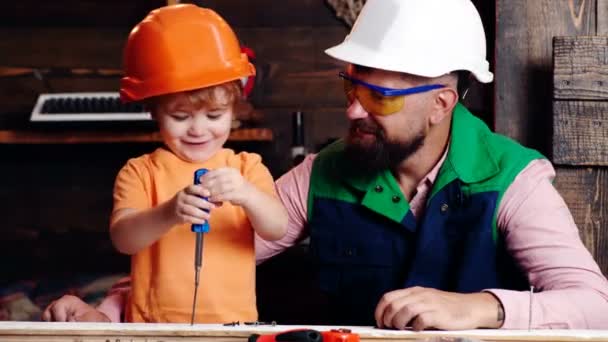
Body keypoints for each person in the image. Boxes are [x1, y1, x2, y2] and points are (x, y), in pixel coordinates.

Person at [43, 0, 608, 330]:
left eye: (378, 96)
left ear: (441, 103)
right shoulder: (324, 172)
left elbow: (594, 306)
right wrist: (108, 311)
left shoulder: (514, 180)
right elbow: (217, 248)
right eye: (350, 85)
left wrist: (480, 308)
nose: (352, 110)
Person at [41, 4, 288, 324]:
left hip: (232, 327)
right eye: (180, 116)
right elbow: (124, 239)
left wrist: (248, 195)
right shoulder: (140, 172)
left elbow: (277, 228)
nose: (198, 129)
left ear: (234, 109)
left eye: (214, 115)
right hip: (152, 325)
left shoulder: (246, 168)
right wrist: (169, 212)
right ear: (154, 111)